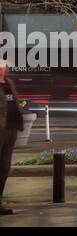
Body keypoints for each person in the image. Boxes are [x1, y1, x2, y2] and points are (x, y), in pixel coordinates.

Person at [0, 61, 23, 216]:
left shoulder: (9, 83)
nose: (3, 66)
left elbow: (14, 103)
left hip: (11, 129)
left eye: (4, 65)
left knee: (4, 167)